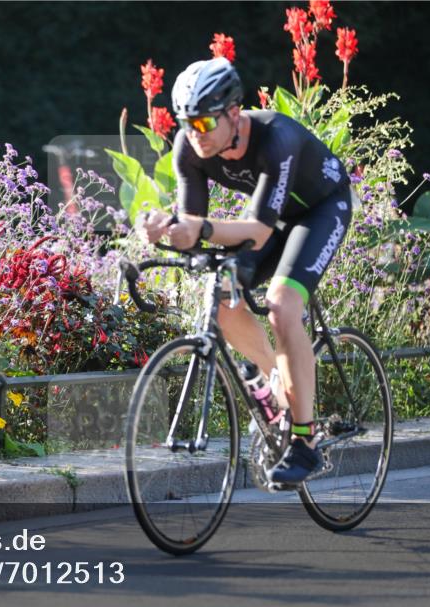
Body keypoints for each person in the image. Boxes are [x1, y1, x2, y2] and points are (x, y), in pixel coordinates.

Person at [141, 57, 352, 484]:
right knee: (220, 299)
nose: (193, 135)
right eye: (185, 123)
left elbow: (255, 229)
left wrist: (198, 227)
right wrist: (168, 226)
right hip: (274, 220)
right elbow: (195, 221)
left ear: (233, 113)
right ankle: (280, 382)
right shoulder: (190, 147)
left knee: (281, 304)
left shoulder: (277, 138)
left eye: (203, 124)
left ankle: (305, 443)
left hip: (321, 209)